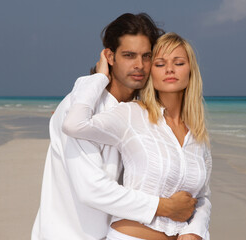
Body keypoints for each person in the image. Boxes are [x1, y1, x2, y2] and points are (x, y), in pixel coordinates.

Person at [32, 14, 197, 240]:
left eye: (146, 56)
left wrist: (192, 229)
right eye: (129, 56)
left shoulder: (142, 114)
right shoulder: (80, 107)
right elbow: (91, 189)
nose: (139, 65)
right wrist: (165, 207)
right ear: (110, 56)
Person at [63, 32, 212, 240]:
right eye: (160, 64)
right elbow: (74, 124)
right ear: (151, 73)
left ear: (190, 71)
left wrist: (193, 232)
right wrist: (99, 77)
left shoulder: (198, 135)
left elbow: (202, 198)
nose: (169, 69)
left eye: (178, 63)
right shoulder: (131, 114)